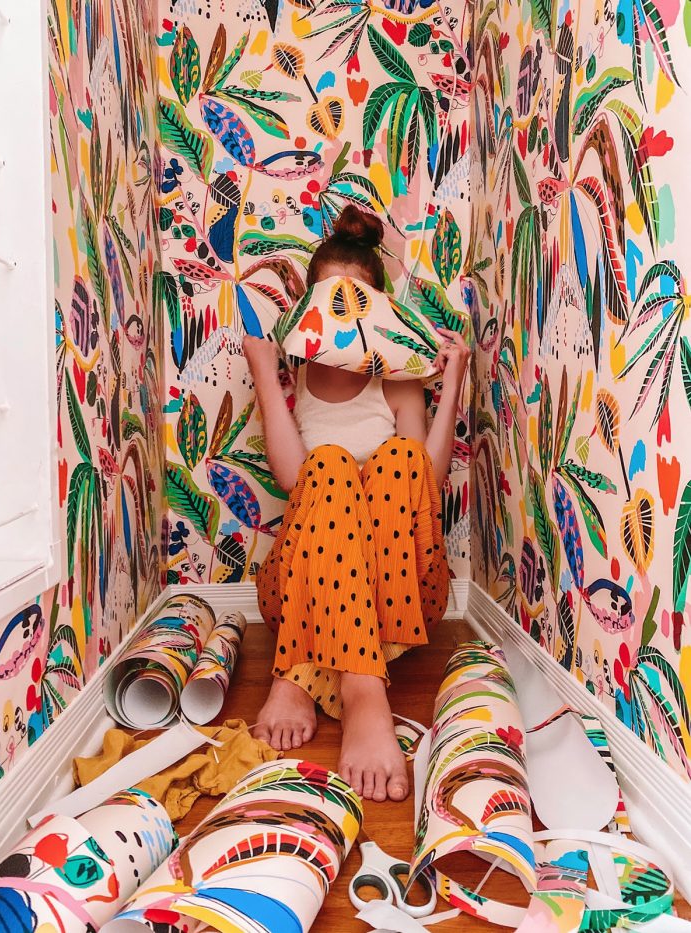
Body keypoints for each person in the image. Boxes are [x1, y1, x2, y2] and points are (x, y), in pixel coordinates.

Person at [243, 205, 470, 802]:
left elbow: (425, 479)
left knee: (398, 461)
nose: (343, 314)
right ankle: (337, 678)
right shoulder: (303, 368)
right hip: (301, 590)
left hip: (395, 591)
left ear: (381, 308)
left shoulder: (398, 376)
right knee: (327, 465)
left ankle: (335, 682)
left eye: (357, 300)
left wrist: (454, 385)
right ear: (307, 308)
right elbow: (295, 479)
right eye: (329, 299)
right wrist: (267, 373)